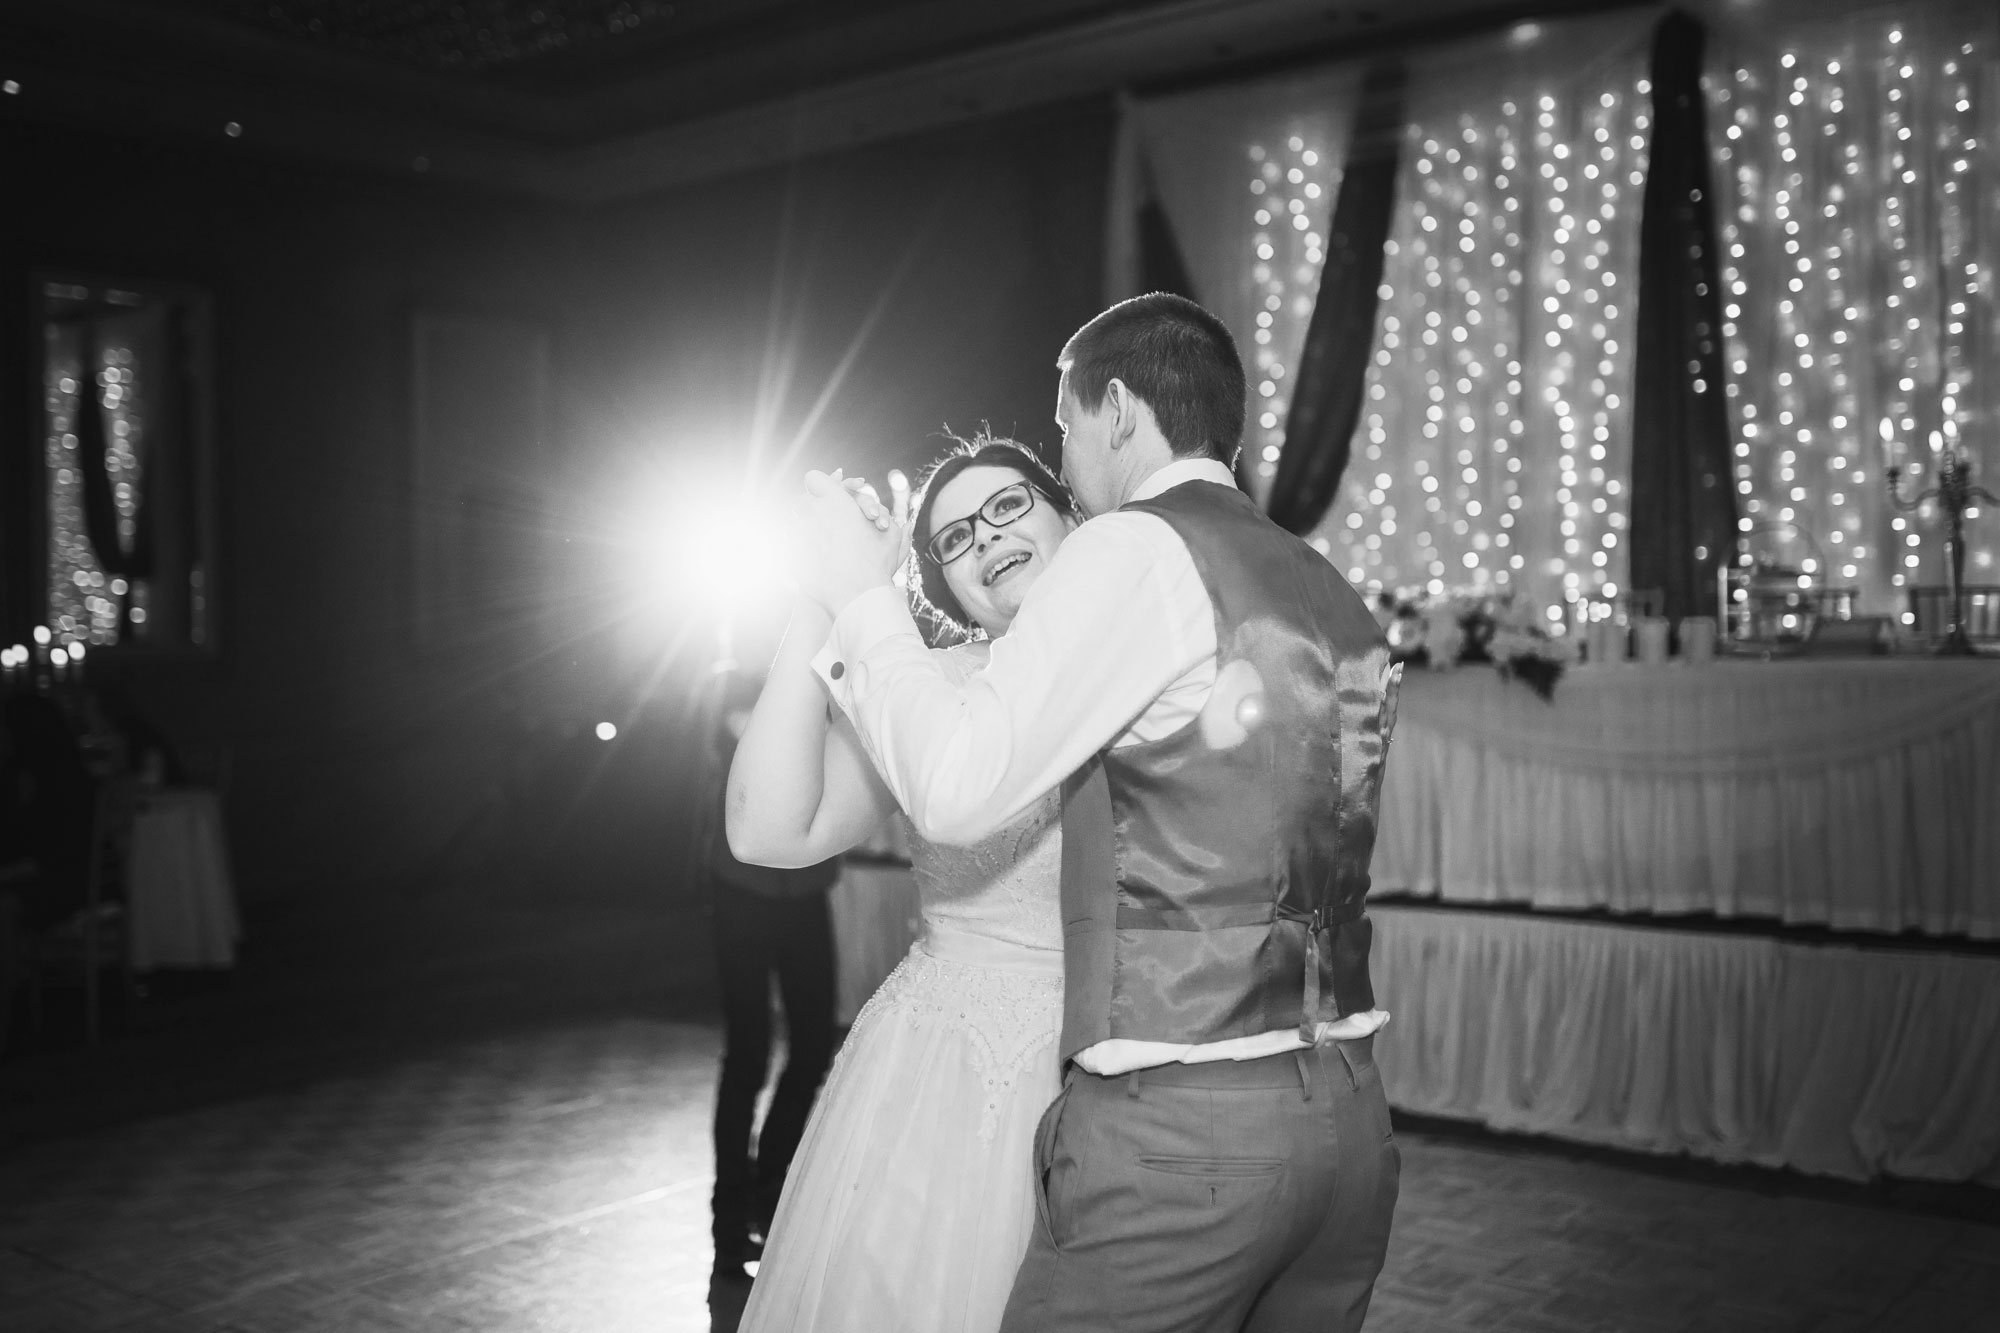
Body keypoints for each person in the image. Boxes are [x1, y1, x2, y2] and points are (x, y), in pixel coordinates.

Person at [795, 292, 1403, 1332]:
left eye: (1065, 425)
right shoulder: (1324, 583)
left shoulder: (1129, 549)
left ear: (1116, 408)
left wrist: (861, 598)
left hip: (1187, 1132)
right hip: (1344, 1118)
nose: (1063, 451)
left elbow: (953, 788)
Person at [728, 435, 1079, 1332]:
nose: (985, 537)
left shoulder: (1144, 665)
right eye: (955, 537)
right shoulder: (926, 687)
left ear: (1070, 510)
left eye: (1008, 505)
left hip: (1109, 1065)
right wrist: (828, 596)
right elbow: (768, 829)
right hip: (936, 1073)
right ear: (942, 583)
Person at [696, 673, 841, 1284]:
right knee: (749, 1055)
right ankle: (730, 1222)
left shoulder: (819, 671)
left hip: (805, 890)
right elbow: (732, 744)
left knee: (812, 1050)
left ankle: (769, 1187)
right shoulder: (732, 682)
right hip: (742, 893)